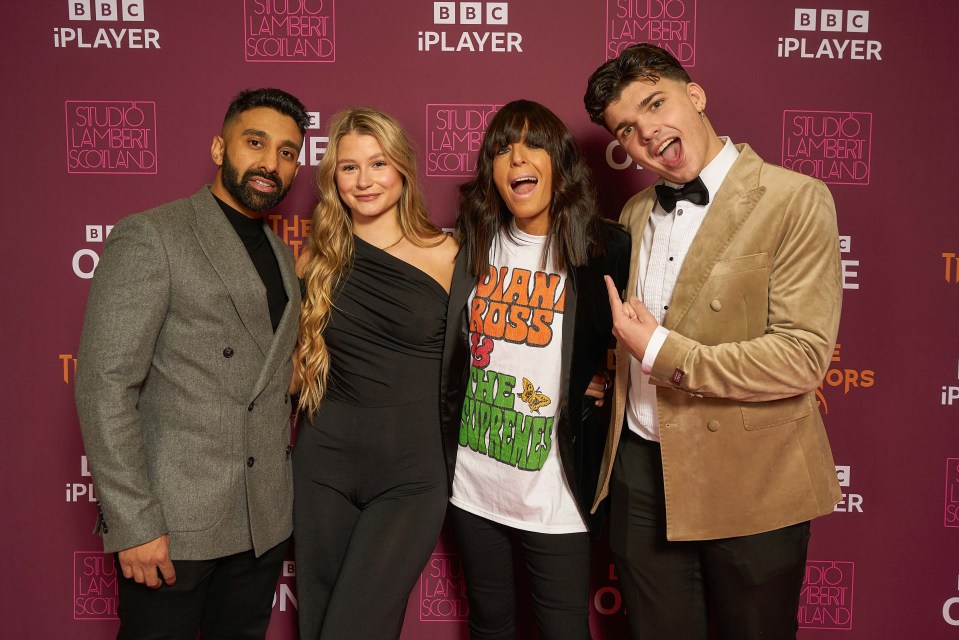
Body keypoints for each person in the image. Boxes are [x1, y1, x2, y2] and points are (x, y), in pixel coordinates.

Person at [582, 43, 843, 639]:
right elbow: (631, 331)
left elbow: (802, 357)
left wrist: (661, 352)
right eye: (628, 127)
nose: (648, 132)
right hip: (643, 472)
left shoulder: (794, 199)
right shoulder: (635, 213)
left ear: (695, 96)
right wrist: (610, 373)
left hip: (753, 478)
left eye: (656, 104)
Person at [74, 87, 310, 639]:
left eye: (286, 151)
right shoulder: (154, 234)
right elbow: (104, 385)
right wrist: (133, 523)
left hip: (261, 521)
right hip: (173, 524)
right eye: (255, 143)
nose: (269, 163)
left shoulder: (282, 255)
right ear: (218, 147)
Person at [439, 99, 631, 640]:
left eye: (532, 145)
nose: (516, 158)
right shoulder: (467, 246)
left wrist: (606, 379)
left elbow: (642, 336)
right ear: (491, 173)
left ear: (559, 161)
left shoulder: (605, 248)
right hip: (474, 482)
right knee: (490, 626)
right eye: (501, 149)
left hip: (556, 488)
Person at [292, 107, 458, 640]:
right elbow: (286, 366)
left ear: (403, 168)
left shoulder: (449, 254)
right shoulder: (315, 259)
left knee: (356, 629)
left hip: (412, 471)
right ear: (333, 178)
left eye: (378, 163)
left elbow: (490, 354)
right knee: (318, 623)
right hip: (324, 465)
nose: (364, 181)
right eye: (348, 168)